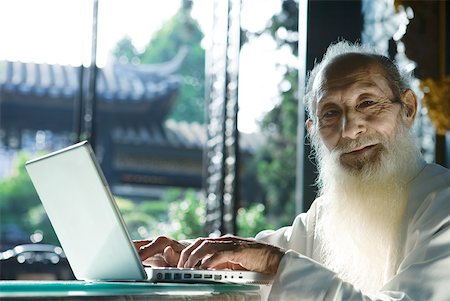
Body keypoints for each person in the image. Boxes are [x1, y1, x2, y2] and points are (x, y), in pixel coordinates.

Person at [134, 40, 450, 300]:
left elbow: (274, 262)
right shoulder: (324, 217)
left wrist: (274, 263)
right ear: (313, 131)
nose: (351, 127)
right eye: (330, 113)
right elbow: (248, 277)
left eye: (367, 103)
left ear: (407, 108)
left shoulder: (443, 203)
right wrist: (185, 261)